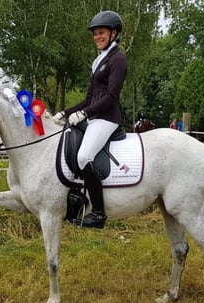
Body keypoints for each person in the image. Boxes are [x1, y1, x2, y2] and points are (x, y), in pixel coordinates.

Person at [52, 10, 127, 229]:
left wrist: (84, 114)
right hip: (95, 115)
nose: (97, 37)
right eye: (95, 34)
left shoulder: (118, 58)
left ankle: (98, 213)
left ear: (114, 33)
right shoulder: (99, 60)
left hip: (107, 117)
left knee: (85, 156)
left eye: (101, 33)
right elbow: (89, 98)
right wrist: (65, 112)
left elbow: (111, 97)